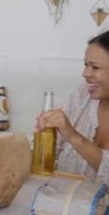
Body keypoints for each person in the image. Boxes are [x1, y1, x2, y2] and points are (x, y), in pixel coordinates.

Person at [36, 31, 109, 185]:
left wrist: (73, 136)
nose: (85, 73)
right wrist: (45, 135)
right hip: (64, 205)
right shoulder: (81, 95)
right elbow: (49, 154)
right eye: (86, 65)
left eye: (95, 67)